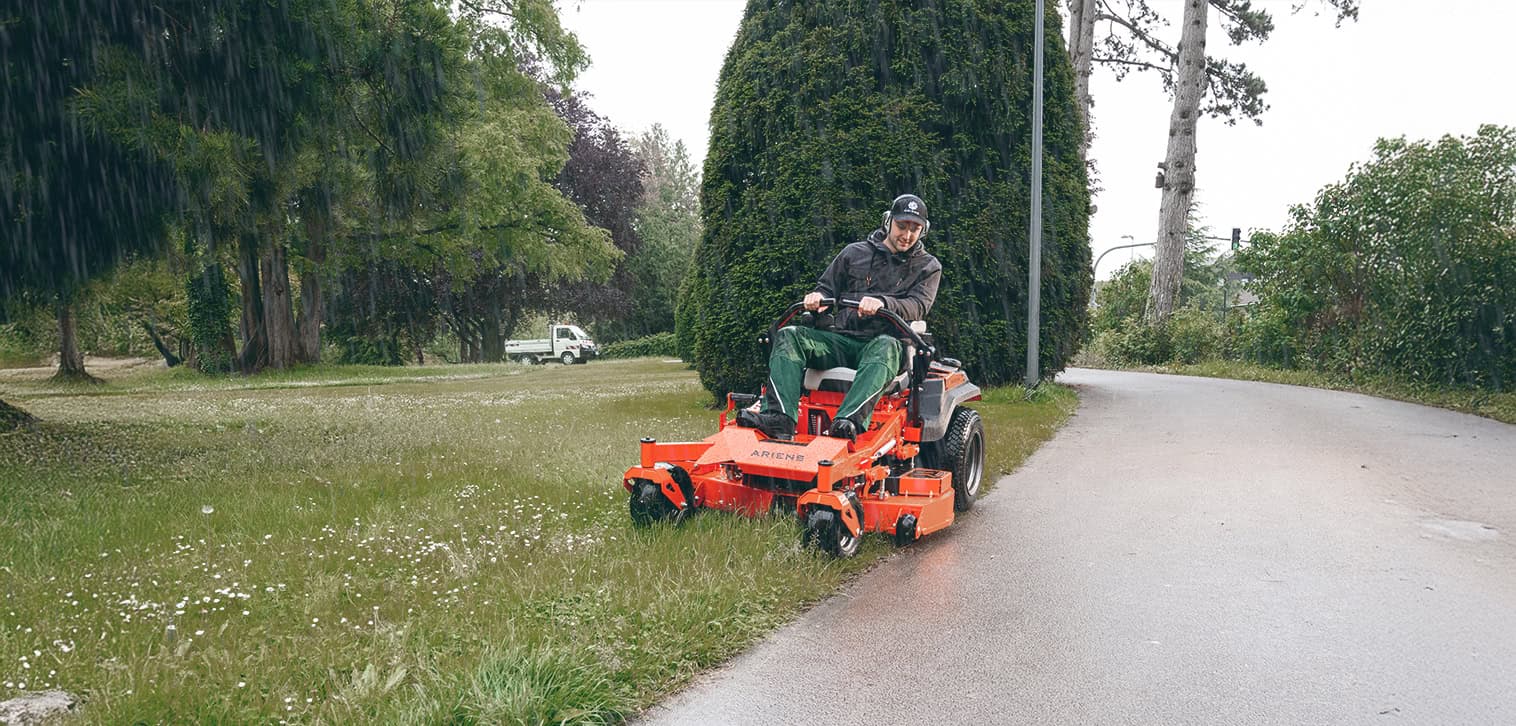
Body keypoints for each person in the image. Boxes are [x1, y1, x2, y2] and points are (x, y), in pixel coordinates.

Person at [737, 193, 942, 441]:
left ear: (924, 230)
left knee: (886, 346)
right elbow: (826, 288)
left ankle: (847, 422)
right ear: (888, 221)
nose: (907, 235)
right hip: (841, 341)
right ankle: (780, 419)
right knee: (789, 335)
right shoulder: (853, 254)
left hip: (885, 344)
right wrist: (817, 299)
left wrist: (883, 303)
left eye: (915, 228)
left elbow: (918, 305)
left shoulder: (928, 266)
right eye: (902, 226)